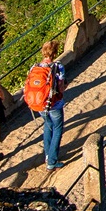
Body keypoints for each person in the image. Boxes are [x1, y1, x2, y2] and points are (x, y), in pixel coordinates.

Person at [25, 39, 67, 169]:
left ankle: (47, 155)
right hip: (54, 103)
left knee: (47, 126)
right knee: (57, 128)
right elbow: (60, 88)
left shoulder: (34, 67)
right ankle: (52, 161)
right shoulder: (57, 67)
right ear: (55, 52)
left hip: (40, 103)